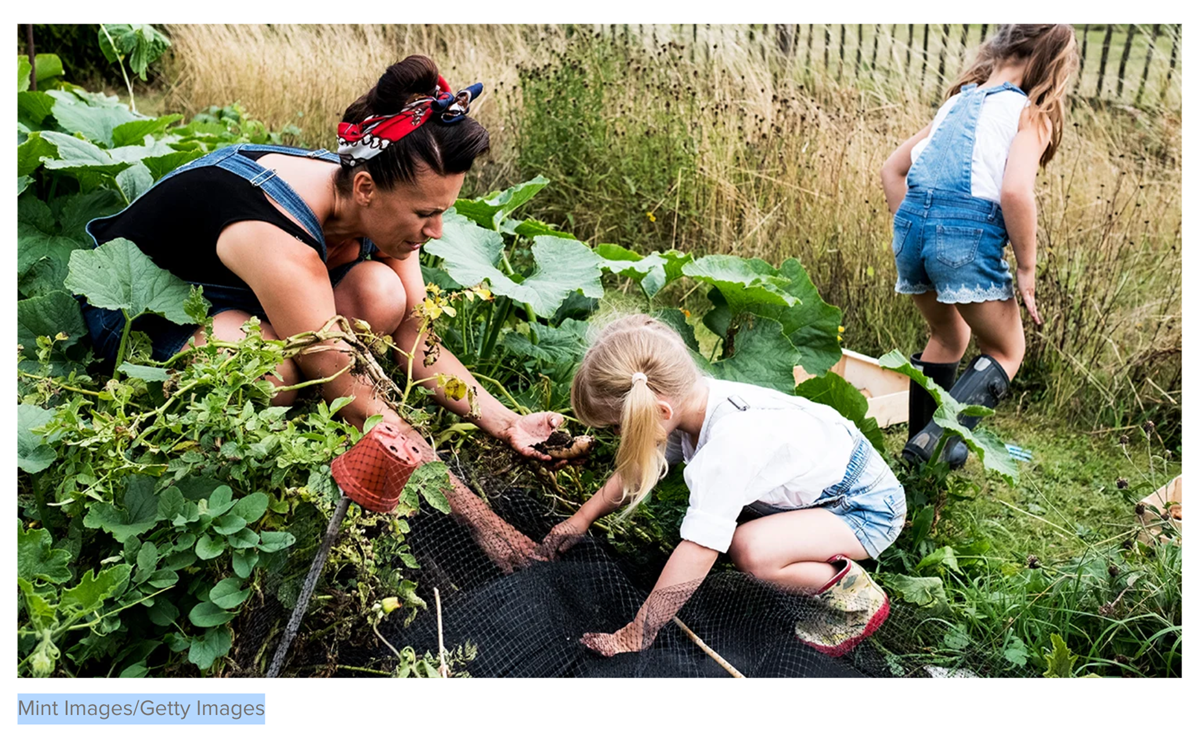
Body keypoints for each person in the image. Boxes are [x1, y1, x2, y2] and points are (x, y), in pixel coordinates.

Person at [81, 55, 559, 571]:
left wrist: (506, 421)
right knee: (273, 371)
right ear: (365, 190)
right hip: (138, 307)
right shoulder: (279, 234)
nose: (437, 230)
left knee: (382, 293)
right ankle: (207, 465)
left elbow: (416, 329)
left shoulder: (384, 187)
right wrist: (482, 523)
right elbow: (354, 395)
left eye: (443, 211)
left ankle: (296, 368)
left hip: (249, 294)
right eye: (426, 214)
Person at [538, 315, 904, 657]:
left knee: (750, 551)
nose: (618, 437)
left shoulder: (729, 445)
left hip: (863, 507)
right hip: (835, 477)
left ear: (660, 411)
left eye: (619, 428)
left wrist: (637, 633)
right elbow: (638, 469)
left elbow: (700, 548)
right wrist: (582, 519)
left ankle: (856, 598)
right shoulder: (693, 401)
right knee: (737, 533)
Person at [880, 25, 1078, 467]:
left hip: (912, 231)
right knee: (1008, 351)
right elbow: (1014, 193)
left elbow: (892, 170)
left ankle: (919, 458)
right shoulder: (1031, 113)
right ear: (1053, 61)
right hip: (964, 239)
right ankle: (934, 446)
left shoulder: (956, 101)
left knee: (949, 334)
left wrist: (915, 232)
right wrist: (1026, 268)